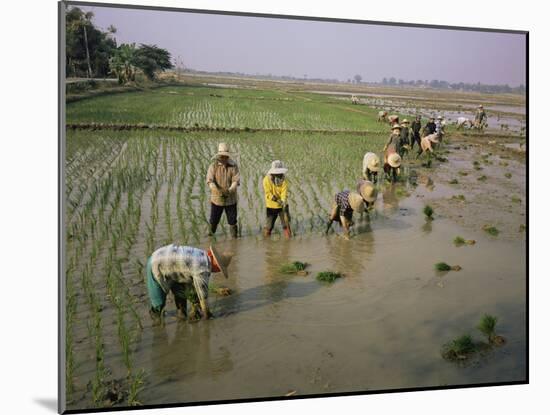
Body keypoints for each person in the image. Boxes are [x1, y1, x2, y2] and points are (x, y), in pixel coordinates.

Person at [145, 244, 233, 325]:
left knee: (182, 290)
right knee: (159, 300)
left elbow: (192, 283)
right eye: (219, 269)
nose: (217, 271)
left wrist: (195, 304)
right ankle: (156, 319)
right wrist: (207, 314)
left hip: (168, 260)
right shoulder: (203, 267)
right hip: (156, 263)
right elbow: (202, 293)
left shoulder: (203, 254)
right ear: (217, 266)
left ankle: (182, 315)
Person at [206, 143, 240, 238]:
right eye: (222, 156)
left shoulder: (233, 166)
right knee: (213, 221)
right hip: (217, 199)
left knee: (232, 221)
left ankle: (234, 241)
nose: (224, 158)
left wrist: (230, 190)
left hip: (231, 199)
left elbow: (235, 181)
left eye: (225, 156)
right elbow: (210, 181)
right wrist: (217, 191)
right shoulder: (213, 166)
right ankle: (210, 238)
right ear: (219, 156)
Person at [262, 160, 291, 238]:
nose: (278, 174)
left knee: (286, 225)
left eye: (279, 173)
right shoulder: (266, 180)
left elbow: (284, 192)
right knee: (269, 227)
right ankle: (266, 241)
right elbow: (268, 193)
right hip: (271, 206)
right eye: (276, 173)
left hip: (282, 205)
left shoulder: (284, 180)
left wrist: (283, 201)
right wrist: (276, 200)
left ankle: (289, 242)